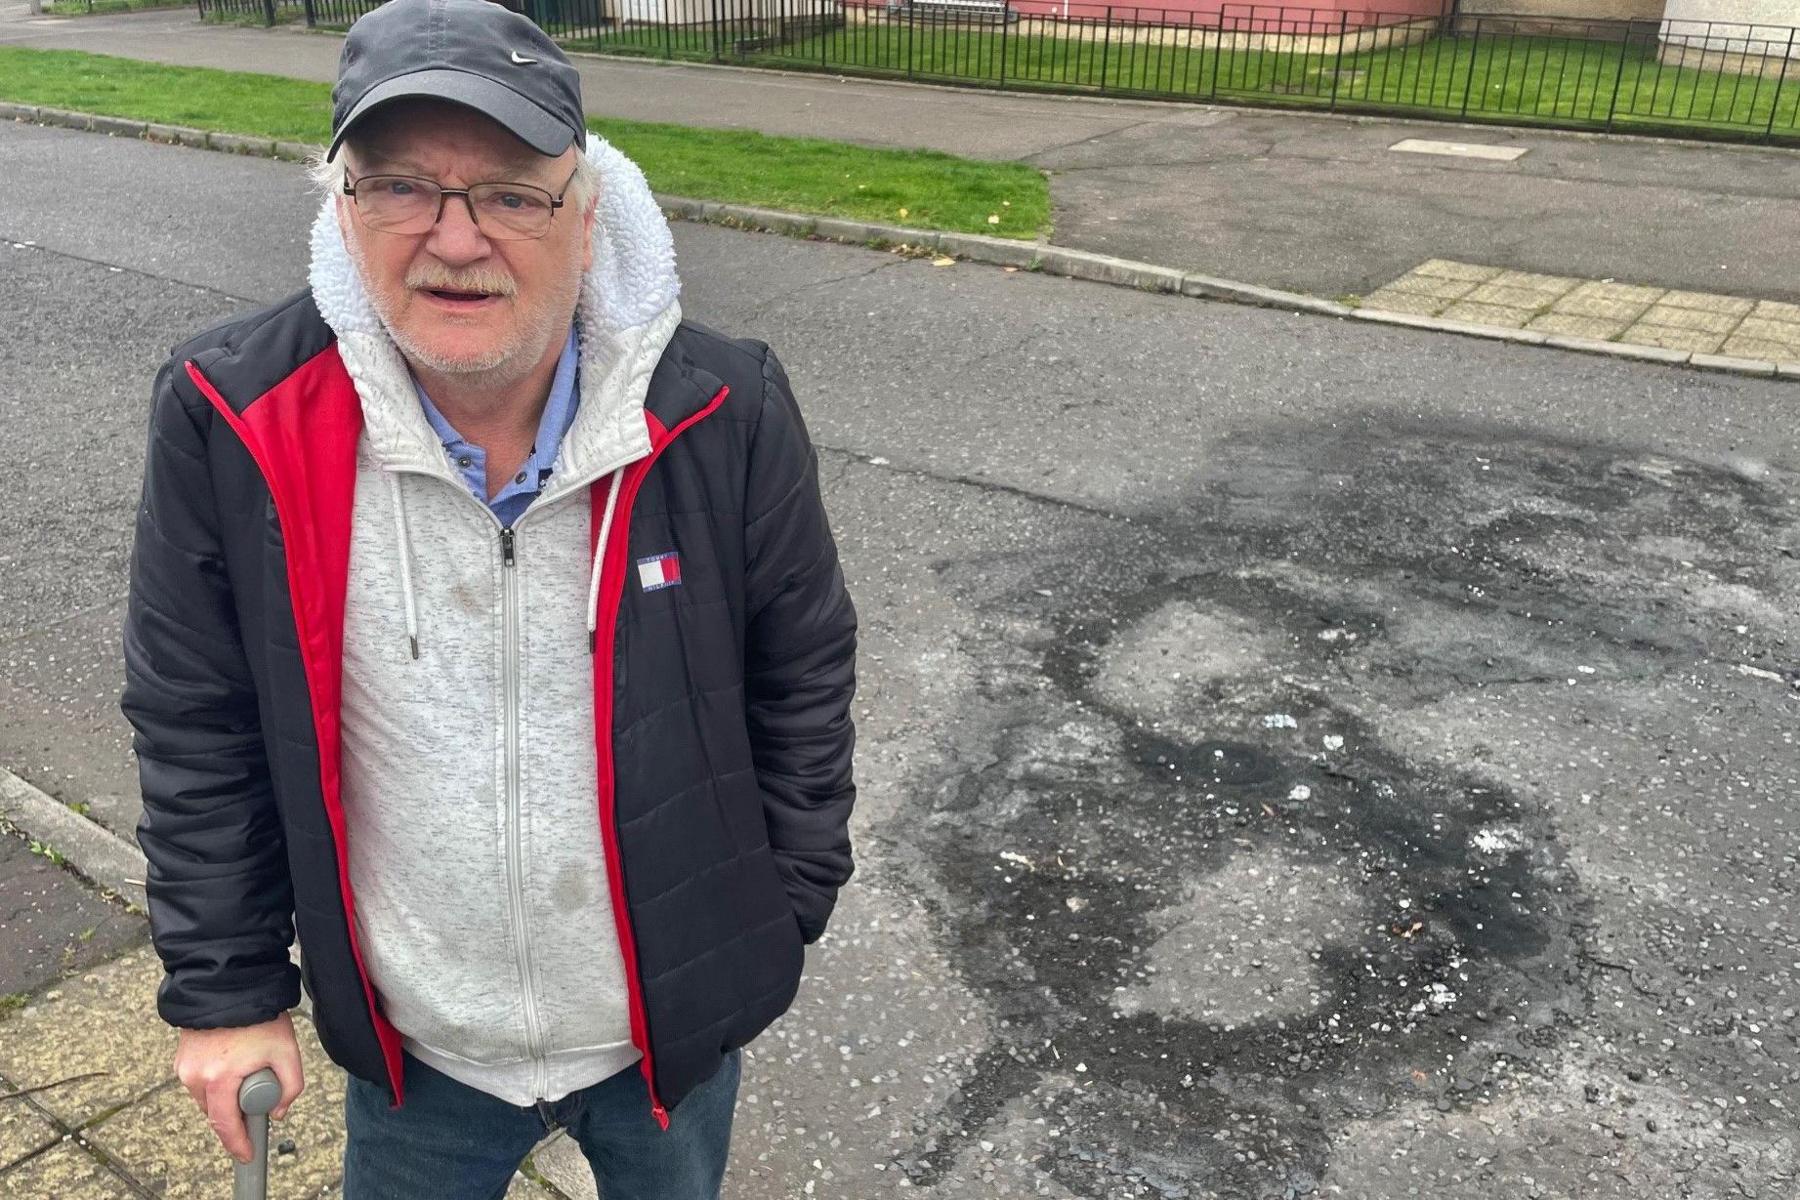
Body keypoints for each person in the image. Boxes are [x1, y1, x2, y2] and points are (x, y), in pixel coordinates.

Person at [119, 0, 858, 1193]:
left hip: (665, 1036)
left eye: (513, 194)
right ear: (339, 203)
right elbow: (196, 719)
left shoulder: (724, 408)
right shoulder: (233, 416)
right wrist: (227, 993)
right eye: (401, 186)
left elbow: (803, 674)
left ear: (587, 210)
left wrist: (777, 913)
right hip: (421, 1055)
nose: (454, 240)